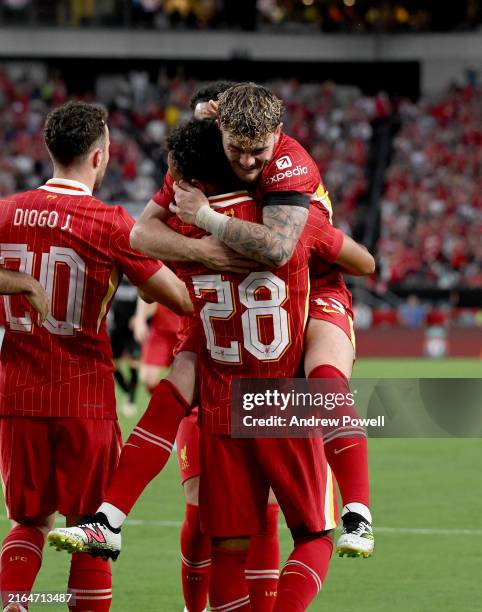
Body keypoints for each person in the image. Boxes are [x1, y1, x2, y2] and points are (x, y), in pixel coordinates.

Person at [49, 116, 374, 611]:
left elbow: (141, 239)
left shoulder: (178, 227)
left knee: (227, 548)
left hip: (222, 405)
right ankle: (359, 508)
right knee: (313, 535)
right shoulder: (285, 220)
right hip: (282, 398)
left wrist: (200, 231)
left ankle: (109, 517)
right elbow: (362, 261)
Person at [0, 100, 192, 612]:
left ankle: (14, 604)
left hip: (16, 394)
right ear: (99, 157)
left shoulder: (5, 211)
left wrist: (17, 279)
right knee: (90, 528)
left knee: (29, 522)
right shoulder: (109, 222)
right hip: (83, 396)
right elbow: (173, 297)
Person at [171, 82, 375, 558]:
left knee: (324, 381)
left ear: (276, 137)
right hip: (257, 320)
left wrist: (206, 221)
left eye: (256, 152)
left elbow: (361, 262)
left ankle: (359, 513)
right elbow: (148, 226)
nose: (245, 162)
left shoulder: (289, 188)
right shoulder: (216, 180)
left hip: (315, 291)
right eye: (234, 151)